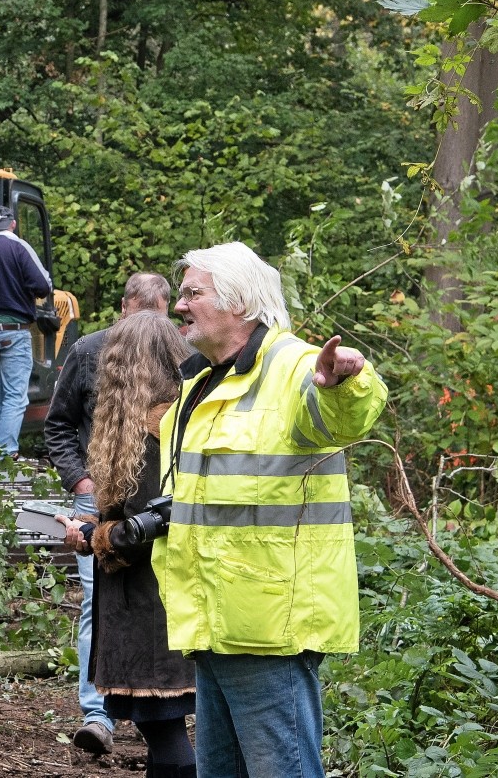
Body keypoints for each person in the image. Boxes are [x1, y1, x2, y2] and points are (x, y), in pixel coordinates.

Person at [156, 241, 387, 778]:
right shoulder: (206, 380)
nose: (180, 305)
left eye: (193, 293)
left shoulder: (295, 366)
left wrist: (345, 383)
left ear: (239, 302)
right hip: (215, 620)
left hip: (267, 627)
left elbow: (342, 416)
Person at [57, 313, 197, 777]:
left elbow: (147, 525)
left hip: (148, 610)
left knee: (167, 737)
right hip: (174, 599)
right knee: (162, 735)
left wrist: (94, 536)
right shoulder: (185, 422)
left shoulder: (149, 434)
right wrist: (94, 525)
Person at [45, 272, 172, 755]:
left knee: (157, 597)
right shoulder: (90, 351)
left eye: (157, 318)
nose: (148, 329)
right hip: (99, 499)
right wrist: (81, 481)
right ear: (124, 308)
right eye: (141, 316)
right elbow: (58, 424)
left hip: (160, 502)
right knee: (98, 601)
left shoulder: (182, 354)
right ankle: (99, 713)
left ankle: (154, 704)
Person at [0, 205, 52, 457]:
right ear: (13, 224)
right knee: (15, 396)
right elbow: (43, 285)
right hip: (12, 332)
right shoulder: (18, 247)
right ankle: (6, 455)